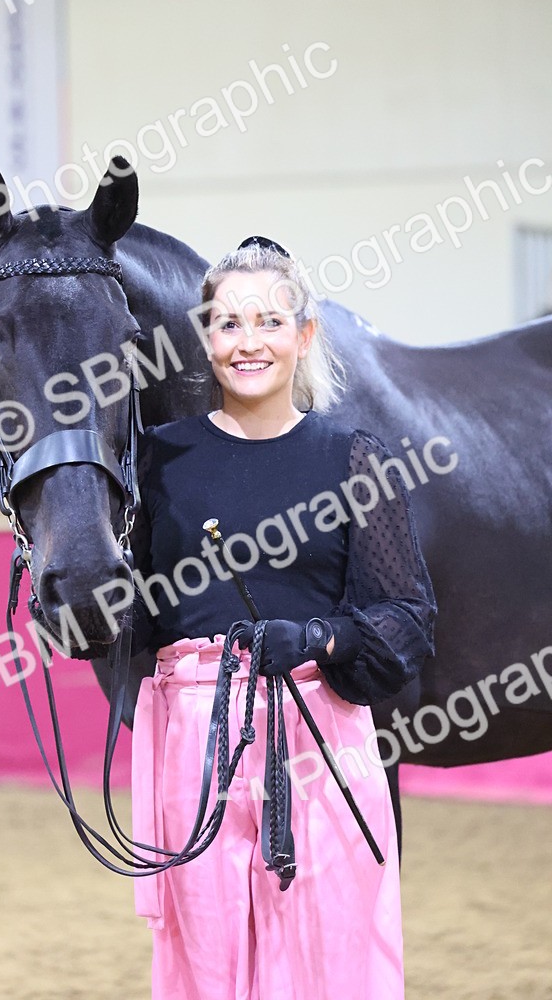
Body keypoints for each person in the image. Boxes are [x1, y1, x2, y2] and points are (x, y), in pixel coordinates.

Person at [126, 236, 437, 1000]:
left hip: (321, 737)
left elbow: (408, 619)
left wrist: (322, 637)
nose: (247, 342)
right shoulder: (156, 459)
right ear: (206, 340)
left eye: (268, 321)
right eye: (228, 324)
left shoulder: (353, 458)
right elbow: (125, 615)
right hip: (194, 748)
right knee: (207, 966)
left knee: (330, 964)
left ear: (302, 336)